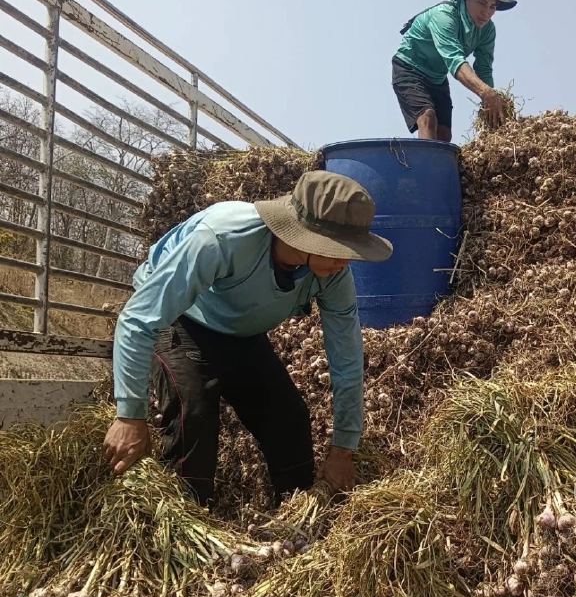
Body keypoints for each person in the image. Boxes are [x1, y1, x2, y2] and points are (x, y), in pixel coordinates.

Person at [102, 171, 393, 508]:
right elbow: (139, 318)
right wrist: (129, 417)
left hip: (240, 332)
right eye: (338, 250)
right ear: (305, 236)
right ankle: (186, 521)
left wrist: (344, 449)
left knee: (289, 416)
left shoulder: (334, 275)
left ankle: (296, 522)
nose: (346, 262)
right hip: (181, 317)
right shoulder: (222, 239)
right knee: (194, 408)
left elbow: (347, 357)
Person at [392, 0, 517, 141]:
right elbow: (454, 59)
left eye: (492, 7)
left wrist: (492, 105)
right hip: (409, 68)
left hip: (438, 76)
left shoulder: (488, 30)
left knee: (444, 134)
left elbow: (484, 69)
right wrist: (485, 92)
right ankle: (426, 162)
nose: (486, 12)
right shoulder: (444, 16)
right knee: (427, 118)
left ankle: (441, 163)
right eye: (482, 3)